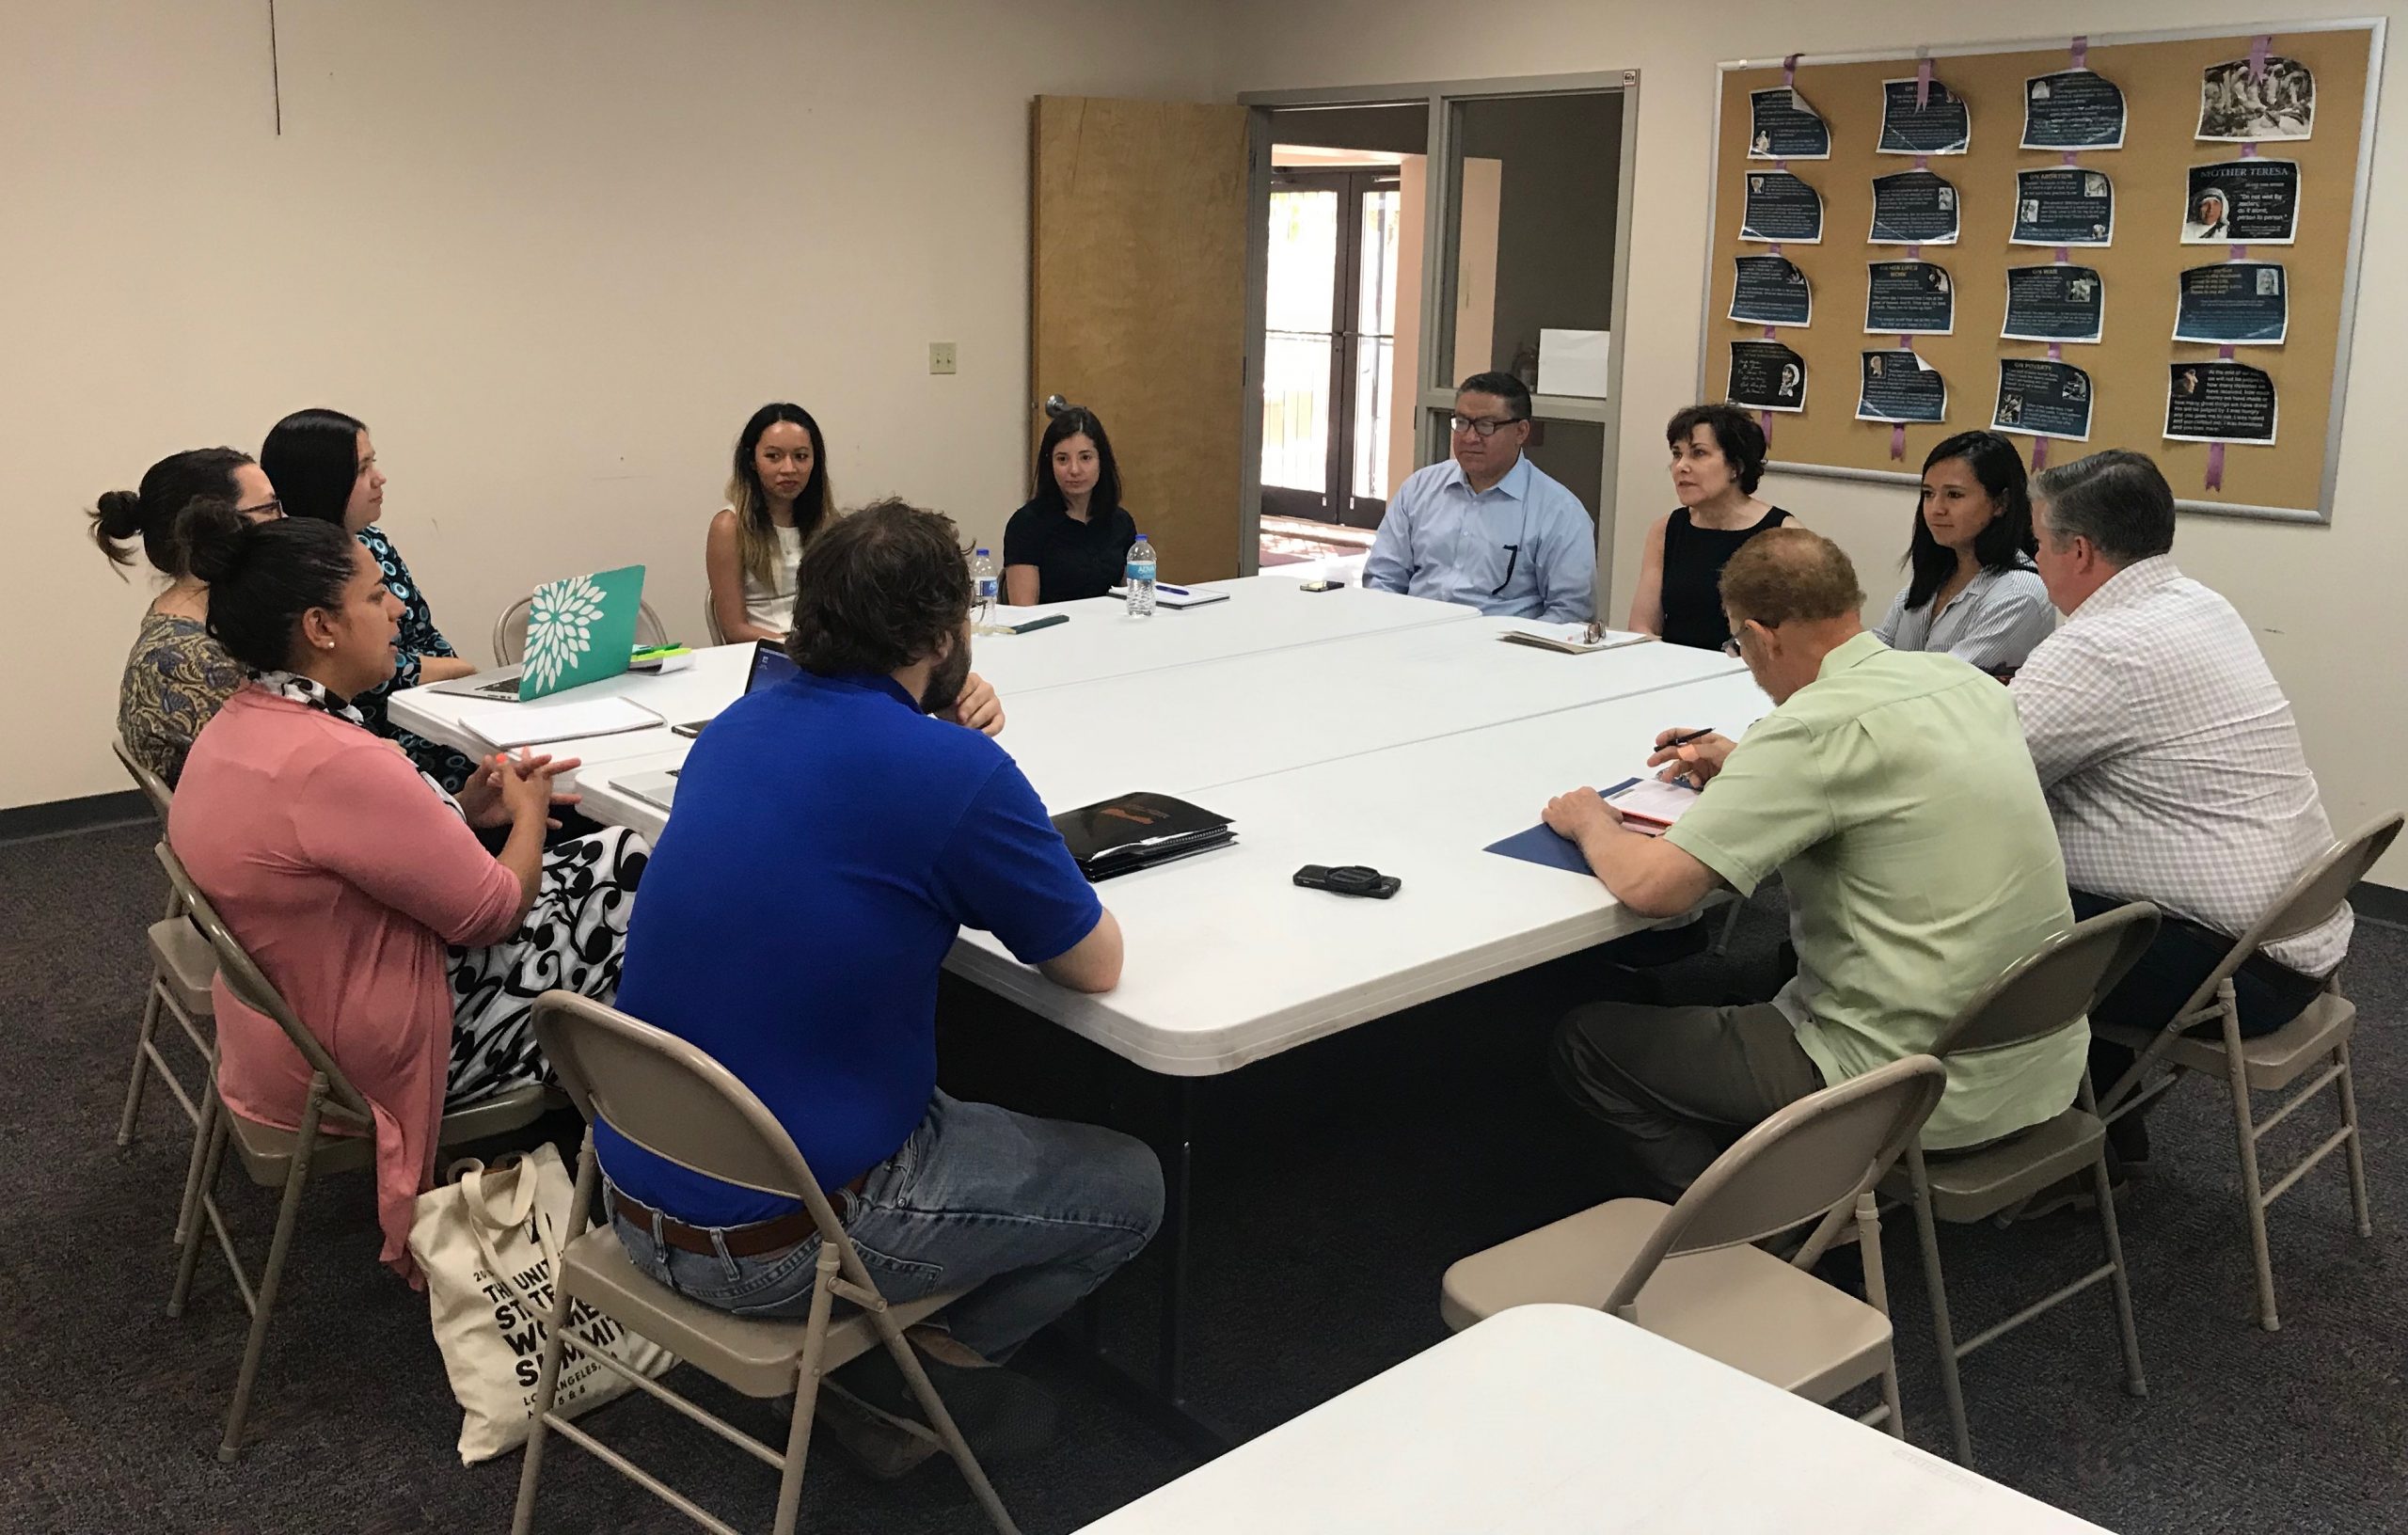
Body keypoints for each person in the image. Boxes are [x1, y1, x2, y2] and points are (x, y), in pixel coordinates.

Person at [596, 499, 1160, 1472]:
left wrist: (931, 731)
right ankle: (911, 1378)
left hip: (631, 1194)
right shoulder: (954, 773)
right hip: (781, 1245)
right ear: (946, 636)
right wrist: (955, 750)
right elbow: (1094, 961)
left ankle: (894, 1363)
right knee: (1131, 1185)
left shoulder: (733, 727)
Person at [166, 506, 647, 1281]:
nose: (396, 610)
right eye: (376, 595)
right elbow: (492, 911)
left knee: (617, 858)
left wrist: (462, 812)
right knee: (639, 879)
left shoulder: (246, 723)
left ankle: (621, 1134)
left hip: (296, 1025)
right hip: (379, 1048)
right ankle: (668, 1175)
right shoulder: (335, 759)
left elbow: (347, 850)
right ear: (322, 627)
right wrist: (524, 816)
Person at [1539, 528, 2083, 1197]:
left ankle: (1754, 1235)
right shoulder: (1962, 684)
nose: (1749, 664)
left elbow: (1656, 888)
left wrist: (1591, 821)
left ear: (1763, 636)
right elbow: (1886, 785)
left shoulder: (1808, 730)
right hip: (2039, 1064)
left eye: (1740, 647)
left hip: (1904, 1085)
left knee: (1584, 1040)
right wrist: (1749, 770)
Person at [2011, 450, 2353, 1162]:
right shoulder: (2197, 603)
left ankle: (2021, 1144)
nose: (2032, 556)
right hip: (2303, 937)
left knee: (1959, 912)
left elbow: (1972, 780)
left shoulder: (2097, 646)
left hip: (2235, 975)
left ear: (2078, 551)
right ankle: (2092, 1122)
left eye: (2038, 542)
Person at [263, 407, 481, 792]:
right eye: (363, 469)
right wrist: (461, 672)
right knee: (523, 776)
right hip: (381, 735)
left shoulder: (371, 541)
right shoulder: (297, 568)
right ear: (325, 482)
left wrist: (462, 687)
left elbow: (422, 631)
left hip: (436, 706)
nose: (380, 479)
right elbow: (370, 678)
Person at [91, 448, 284, 785]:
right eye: (269, 509)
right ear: (210, 528)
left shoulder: (207, 616)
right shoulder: (188, 659)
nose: (284, 522)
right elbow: (275, 776)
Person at [1364, 372, 1595, 622]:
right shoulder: (1420, 488)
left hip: (1502, 651)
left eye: (1487, 426)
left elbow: (1570, 612)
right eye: (1462, 422)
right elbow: (1383, 577)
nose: (1470, 437)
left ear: (1521, 431)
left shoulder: (1559, 511)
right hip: (1411, 637)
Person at [1872, 431, 2056, 676]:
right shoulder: (1937, 575)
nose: (1936, 509)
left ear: (2001, 503)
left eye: (1954, 495)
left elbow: (1946, 685)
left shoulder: (2019, 593)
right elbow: (1875, 652)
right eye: (1928, 494)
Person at [1628, 404, 1794, 651]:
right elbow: (1642, 628)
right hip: (1672, 670)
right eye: (1677, 454)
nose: (1680, 466)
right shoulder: (1666, 529)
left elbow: (1793, 638)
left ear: (1735, 467)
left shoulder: (1783, 534)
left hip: (1747, 675)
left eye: (1698, 454)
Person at [706, 402, 837, 641]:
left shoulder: (828, 522)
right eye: (773, 456)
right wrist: (801, 649)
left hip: (823, 649)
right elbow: (734, 629)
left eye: (801, 456)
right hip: (767, 654)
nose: (789, 468)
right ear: (752, 461)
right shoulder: (728, 527)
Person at [1003, 405, 1138, 605]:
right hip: (1050, 633)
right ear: (1050, 464)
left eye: (1085, 458)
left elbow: (1133, 600)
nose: (1074, 470)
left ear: (1101, 461)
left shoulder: (1121, 522)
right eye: (1062, 459)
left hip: (1109, 631)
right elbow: (1024, 614)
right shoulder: (1026, 525)